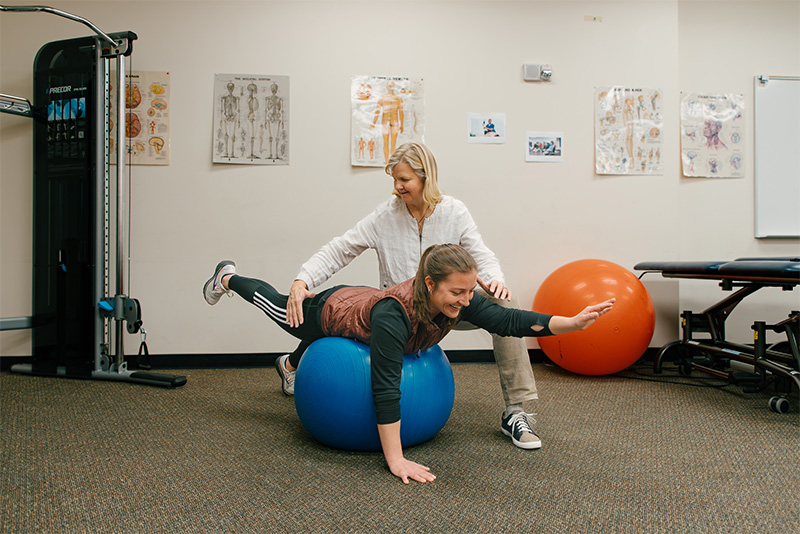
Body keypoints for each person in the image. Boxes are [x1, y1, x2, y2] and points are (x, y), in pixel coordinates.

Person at [203, 244, 614, 484]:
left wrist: (571, 323)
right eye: (458, 292)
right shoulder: (393, 316)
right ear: (430, 285)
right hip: (330, 309)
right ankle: (227, 278)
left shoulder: (452, 301)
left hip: (363, 304)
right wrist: (395, 460)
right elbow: (384, 385)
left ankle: (290, 366)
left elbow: (508, 320)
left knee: (490, 311)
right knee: (276, 307)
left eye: (470, 291)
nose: (466, 301)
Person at [285, 142, 547, 450]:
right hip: (404, 315)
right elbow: (339, 249)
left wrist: (495, 280)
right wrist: (303, 279)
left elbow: (481, 253)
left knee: (506, 304)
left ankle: (516, 411)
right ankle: (291, 364)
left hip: (449, 307)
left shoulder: (454, 212)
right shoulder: (384, 217)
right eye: (394, 179)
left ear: (426, 178)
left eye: (404, 179)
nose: (396, 187)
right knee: (338, 308)